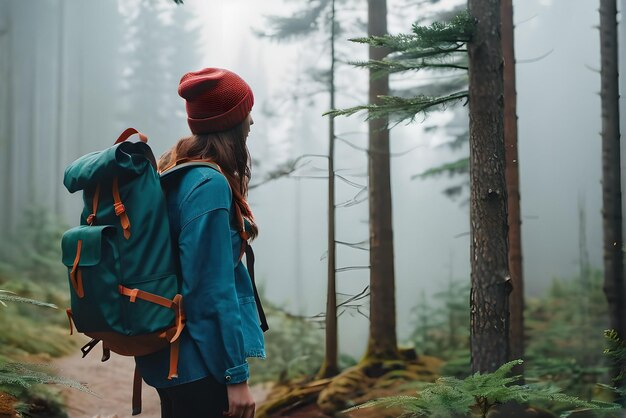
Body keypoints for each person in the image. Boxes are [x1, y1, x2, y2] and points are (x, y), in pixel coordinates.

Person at [135, 68, 266, 418]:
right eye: (245, 112)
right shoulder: (208, 185)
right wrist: (235, 376)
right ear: (230, 123)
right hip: (199, 366)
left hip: (173, 358)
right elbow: (210, 290)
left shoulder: (175, 171)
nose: (251, 121)